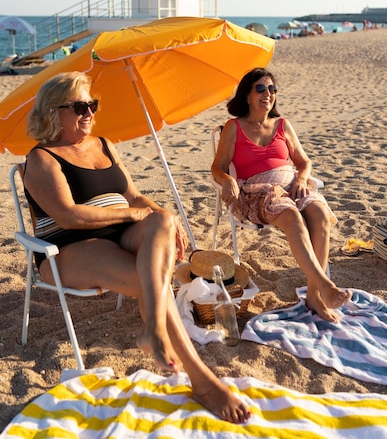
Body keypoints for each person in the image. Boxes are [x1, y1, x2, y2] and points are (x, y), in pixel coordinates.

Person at [23, 71, 250, 424]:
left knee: (160, 220)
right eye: (81, 106)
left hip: (120, 230)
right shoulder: (42, 159)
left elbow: (134, 196)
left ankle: (154, 329)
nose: (90, 113)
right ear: (54, 112)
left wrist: (165, 216)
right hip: (67, 247)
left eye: (92, 105)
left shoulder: (104, 145)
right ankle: (202, 380)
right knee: (152, 279)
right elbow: (67, 216)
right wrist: (132, 213)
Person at [211, 67, 351, 323]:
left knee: (319, 213)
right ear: (247, 95)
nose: (268, 94)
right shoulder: (233, 128)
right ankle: (325, 286)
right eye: (261, 89)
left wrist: (300, 177)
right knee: (290, 214)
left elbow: (304, 161)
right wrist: (228, 180)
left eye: (272, 89)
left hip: (292, 186)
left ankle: (314, 296)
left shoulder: (283, 125)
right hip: (258, 193)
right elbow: (217, 167)